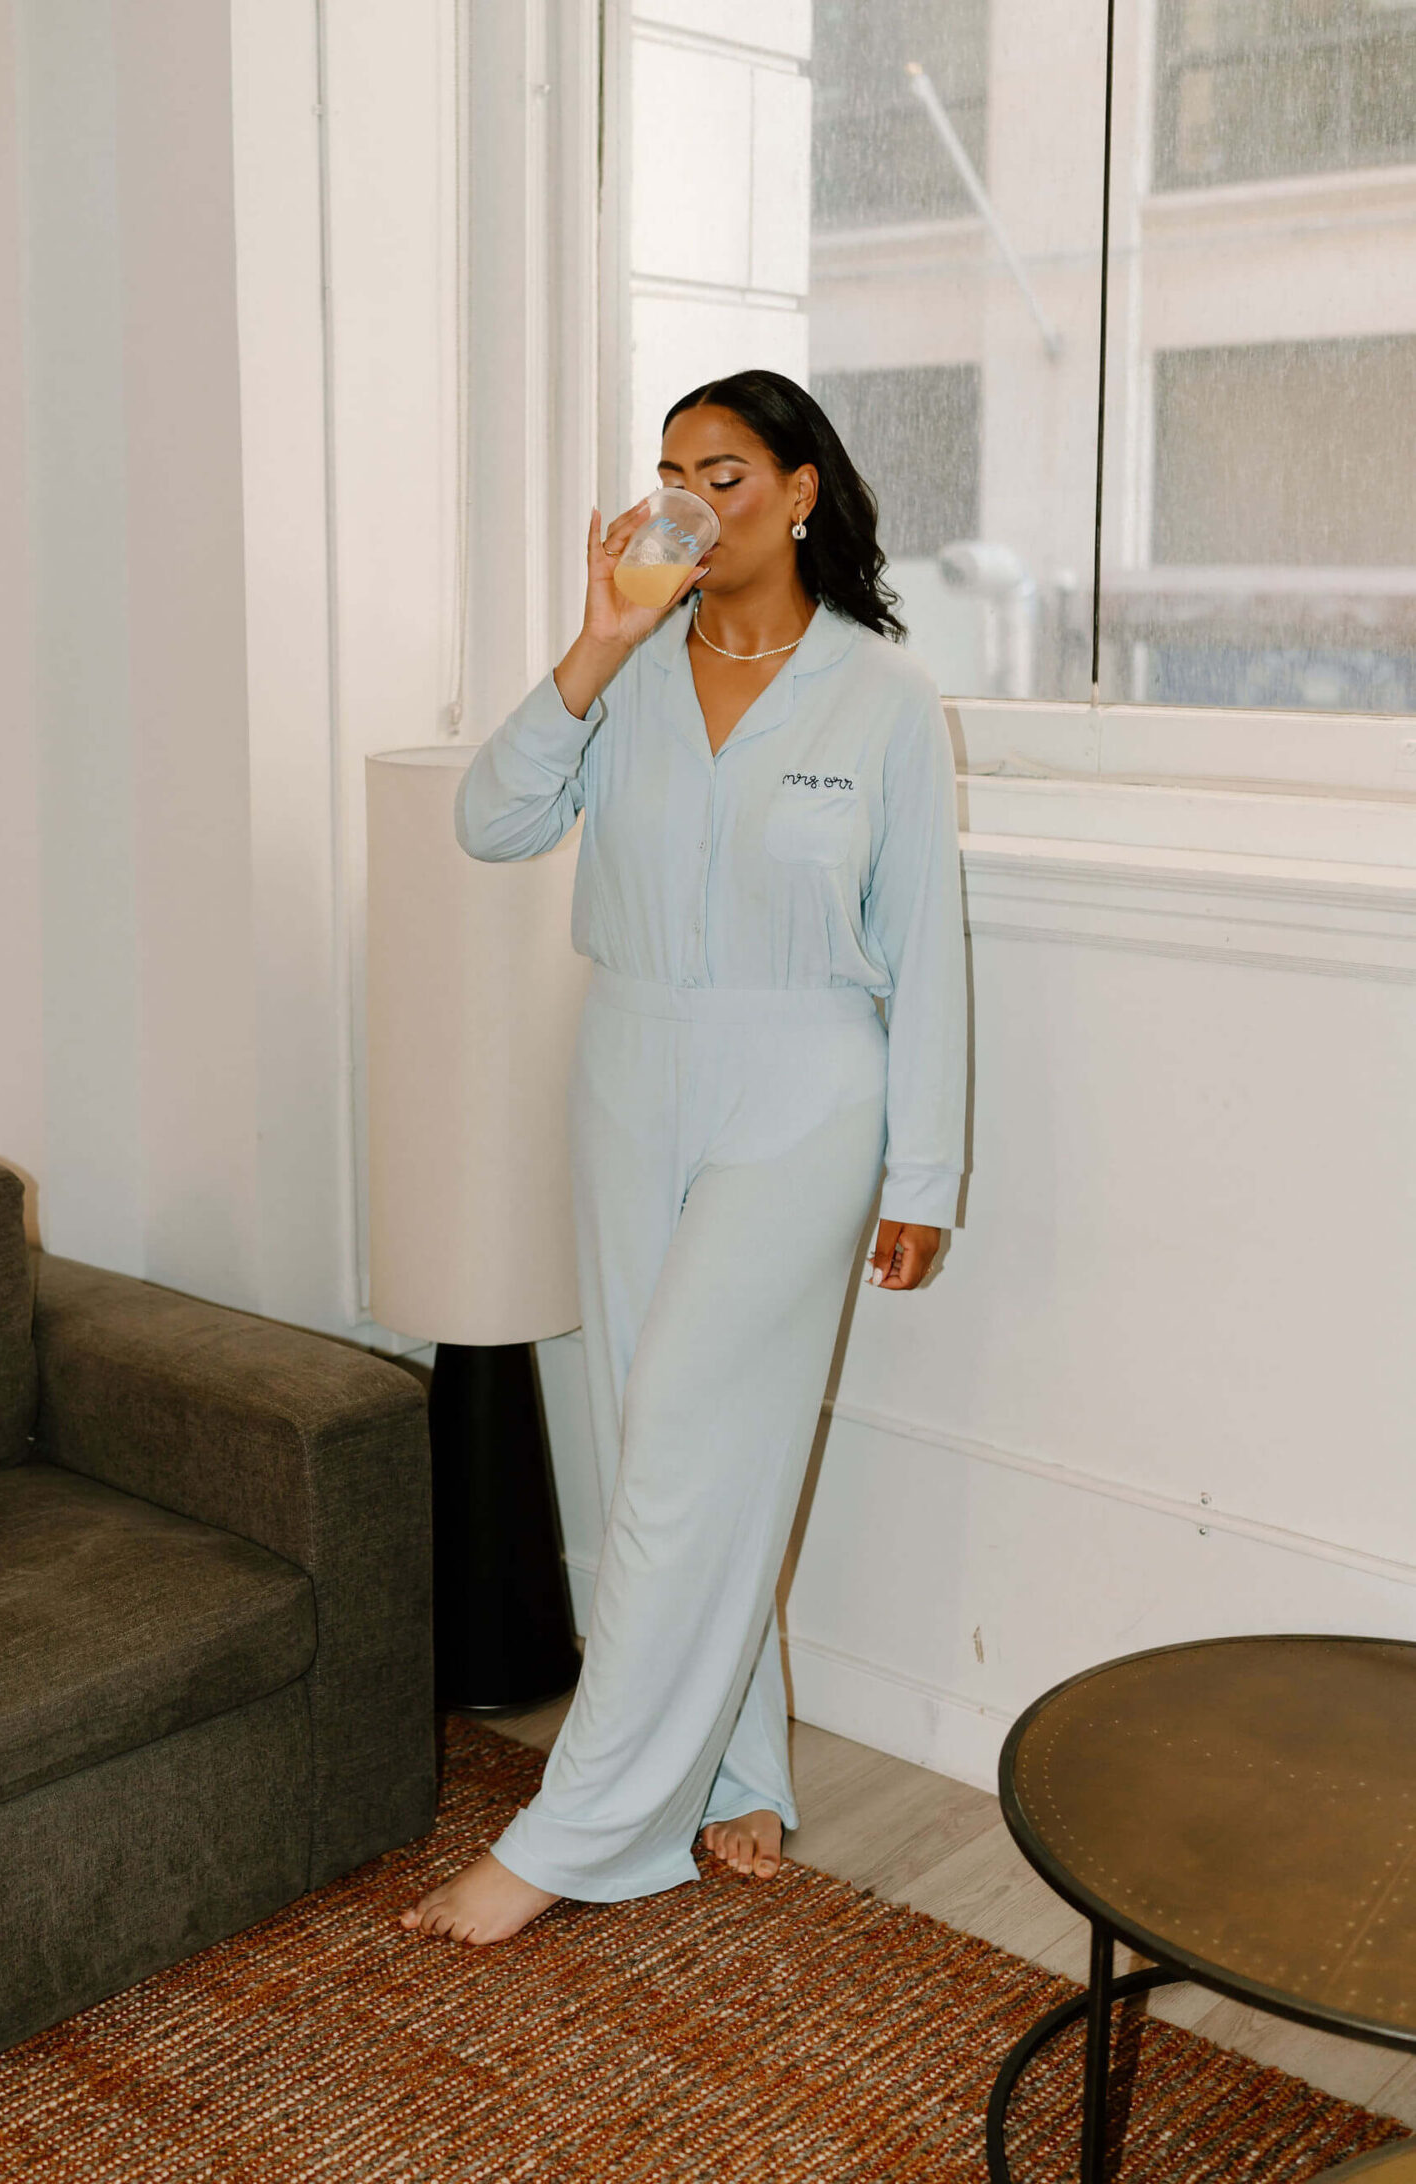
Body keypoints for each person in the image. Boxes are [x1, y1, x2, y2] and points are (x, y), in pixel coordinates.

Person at [400, 367, 966, 1946]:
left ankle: (578, 1830)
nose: (690, 503)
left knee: (688, 1445)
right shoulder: (631, 672)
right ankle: (739, 1771)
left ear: (798, 492)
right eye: (669, 474)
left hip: (803, 1086)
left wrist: (924, 1176)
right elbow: (490, 826)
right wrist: (594, 639)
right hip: (631, 1064)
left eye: (724, 474)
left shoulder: (881, 699)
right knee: (665, 1442)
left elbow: (925, 952)